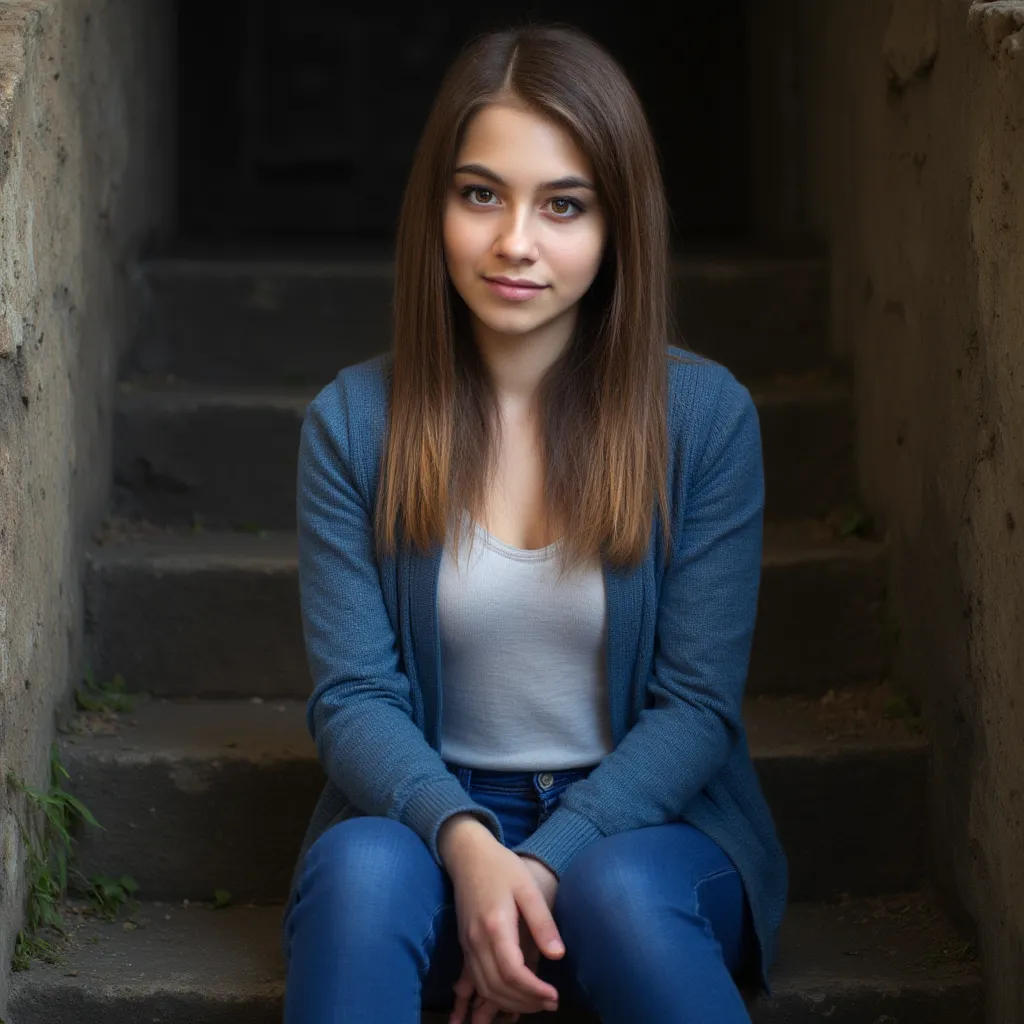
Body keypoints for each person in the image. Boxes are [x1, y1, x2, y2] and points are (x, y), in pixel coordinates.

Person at [281, 22, 788, 1024]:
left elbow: (695, 706)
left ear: (616, 228)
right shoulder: (352, 423)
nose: (516, 241)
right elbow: (352, 697)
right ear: (436, 209)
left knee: (620, 898)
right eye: (481, 194)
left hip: (649, 829)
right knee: (361, 881)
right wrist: (470, 848)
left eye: (563, 205)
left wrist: (547, 861)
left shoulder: (705, 419)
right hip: (423, 821)